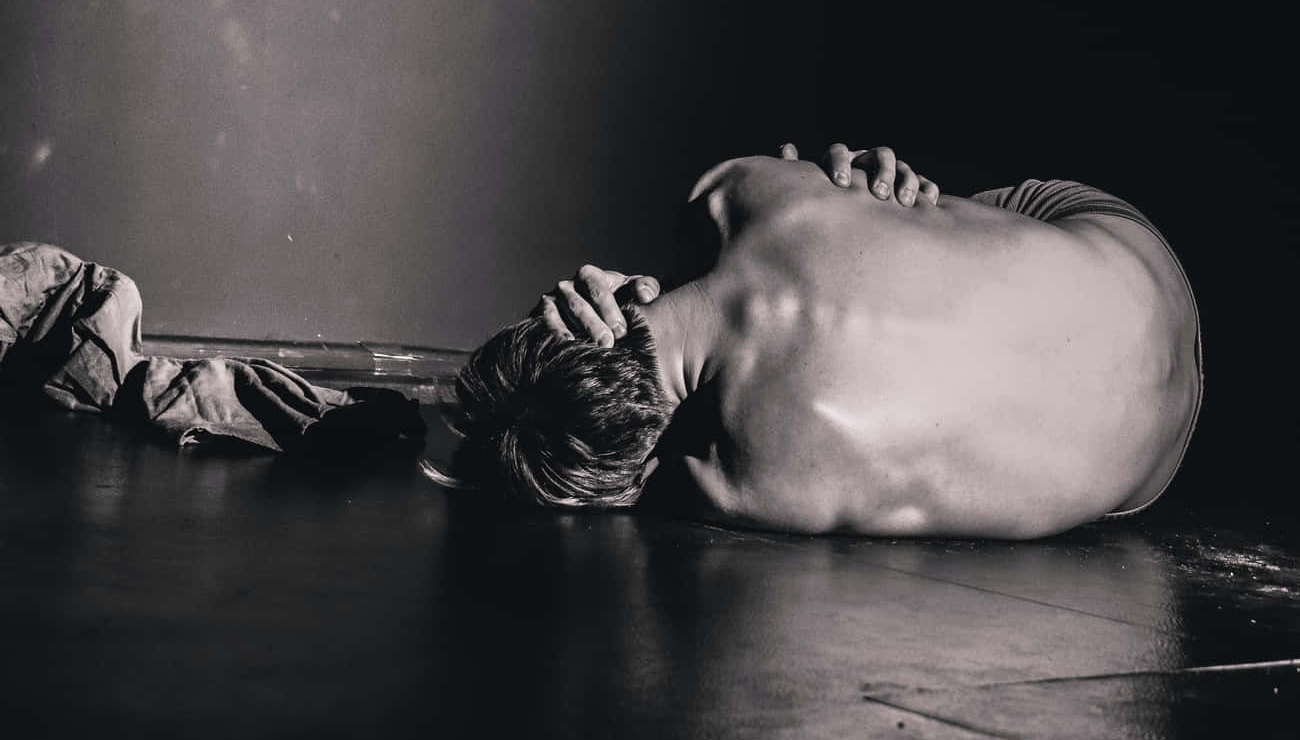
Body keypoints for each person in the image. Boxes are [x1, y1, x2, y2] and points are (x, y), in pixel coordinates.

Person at [424, 143, 1202, 539]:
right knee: (906, 205)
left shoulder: (740, 489)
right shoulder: (731, 187)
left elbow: (619, 482)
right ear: (617, 293)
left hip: (1142, 475)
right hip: (1144, 257)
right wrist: (869, 191)